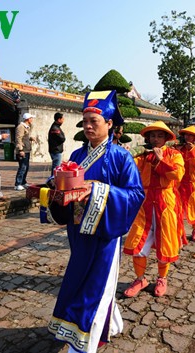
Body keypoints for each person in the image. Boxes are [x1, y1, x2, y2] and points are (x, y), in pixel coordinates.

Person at [45, 90, 145, 352]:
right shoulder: (77, 156)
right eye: (85, 121)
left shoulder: (122, 157)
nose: (88, 127)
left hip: (104, 234)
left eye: (94, 122)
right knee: (80, 278)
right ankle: (109, 323)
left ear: (110, 124)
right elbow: (66, 184)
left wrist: (99, 190)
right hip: (77, 230)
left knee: (96, 286)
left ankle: (83, 344)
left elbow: (136, 194)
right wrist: (54, 185)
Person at [123, 121, 185, 298]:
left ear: (166, 138)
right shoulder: (142, 155)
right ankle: (140, 279)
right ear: (148, 138)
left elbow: (177, 174)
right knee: (137, 240)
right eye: (152, 136)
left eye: (159, 136)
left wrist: (161, 160)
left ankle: (162, 278)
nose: (155, 139)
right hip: (143, 203)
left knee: (165, 240)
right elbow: (127, 169)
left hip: (166, 202)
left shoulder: (174, 154)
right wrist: (126, 154)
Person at [14, 113, 36, 191]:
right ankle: (18, 183)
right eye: (31, 118)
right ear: (28, 119)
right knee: (22, 167)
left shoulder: (27, 127)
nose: (32, 120)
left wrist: (30, 138)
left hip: (27, 149)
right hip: (23, 150)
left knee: (26, 167)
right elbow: (18, 138)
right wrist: (20, 150)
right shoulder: (20, 127)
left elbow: (24, 137)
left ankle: (23, 182)